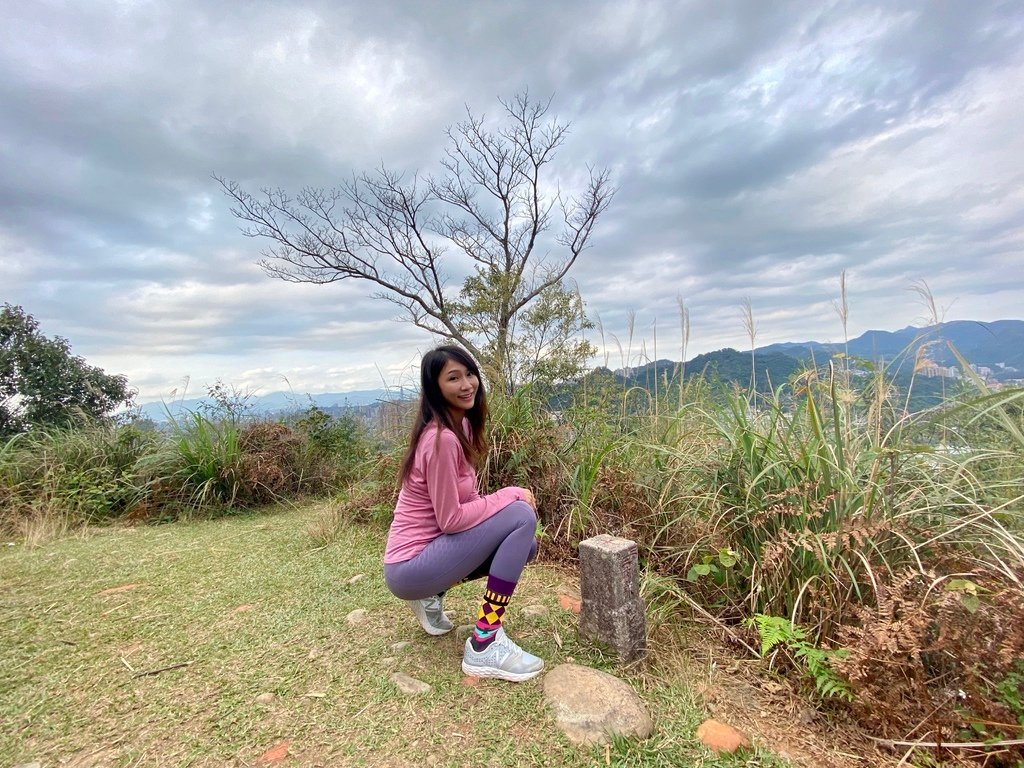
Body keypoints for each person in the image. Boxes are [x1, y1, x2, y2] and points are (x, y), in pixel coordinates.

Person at [383, 345, 544, 682]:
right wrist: (511, 494)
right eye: (453, 378)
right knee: (520, 516)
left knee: (524, 545)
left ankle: (434, 594)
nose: (467, 384)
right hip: (410, 566)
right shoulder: (441, 441)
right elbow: (451, 520)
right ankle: (484, 642)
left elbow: (467, 503)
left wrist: (503, 502)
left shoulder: (462, 429)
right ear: (435, 389)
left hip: (428, 558)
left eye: (469, 373)